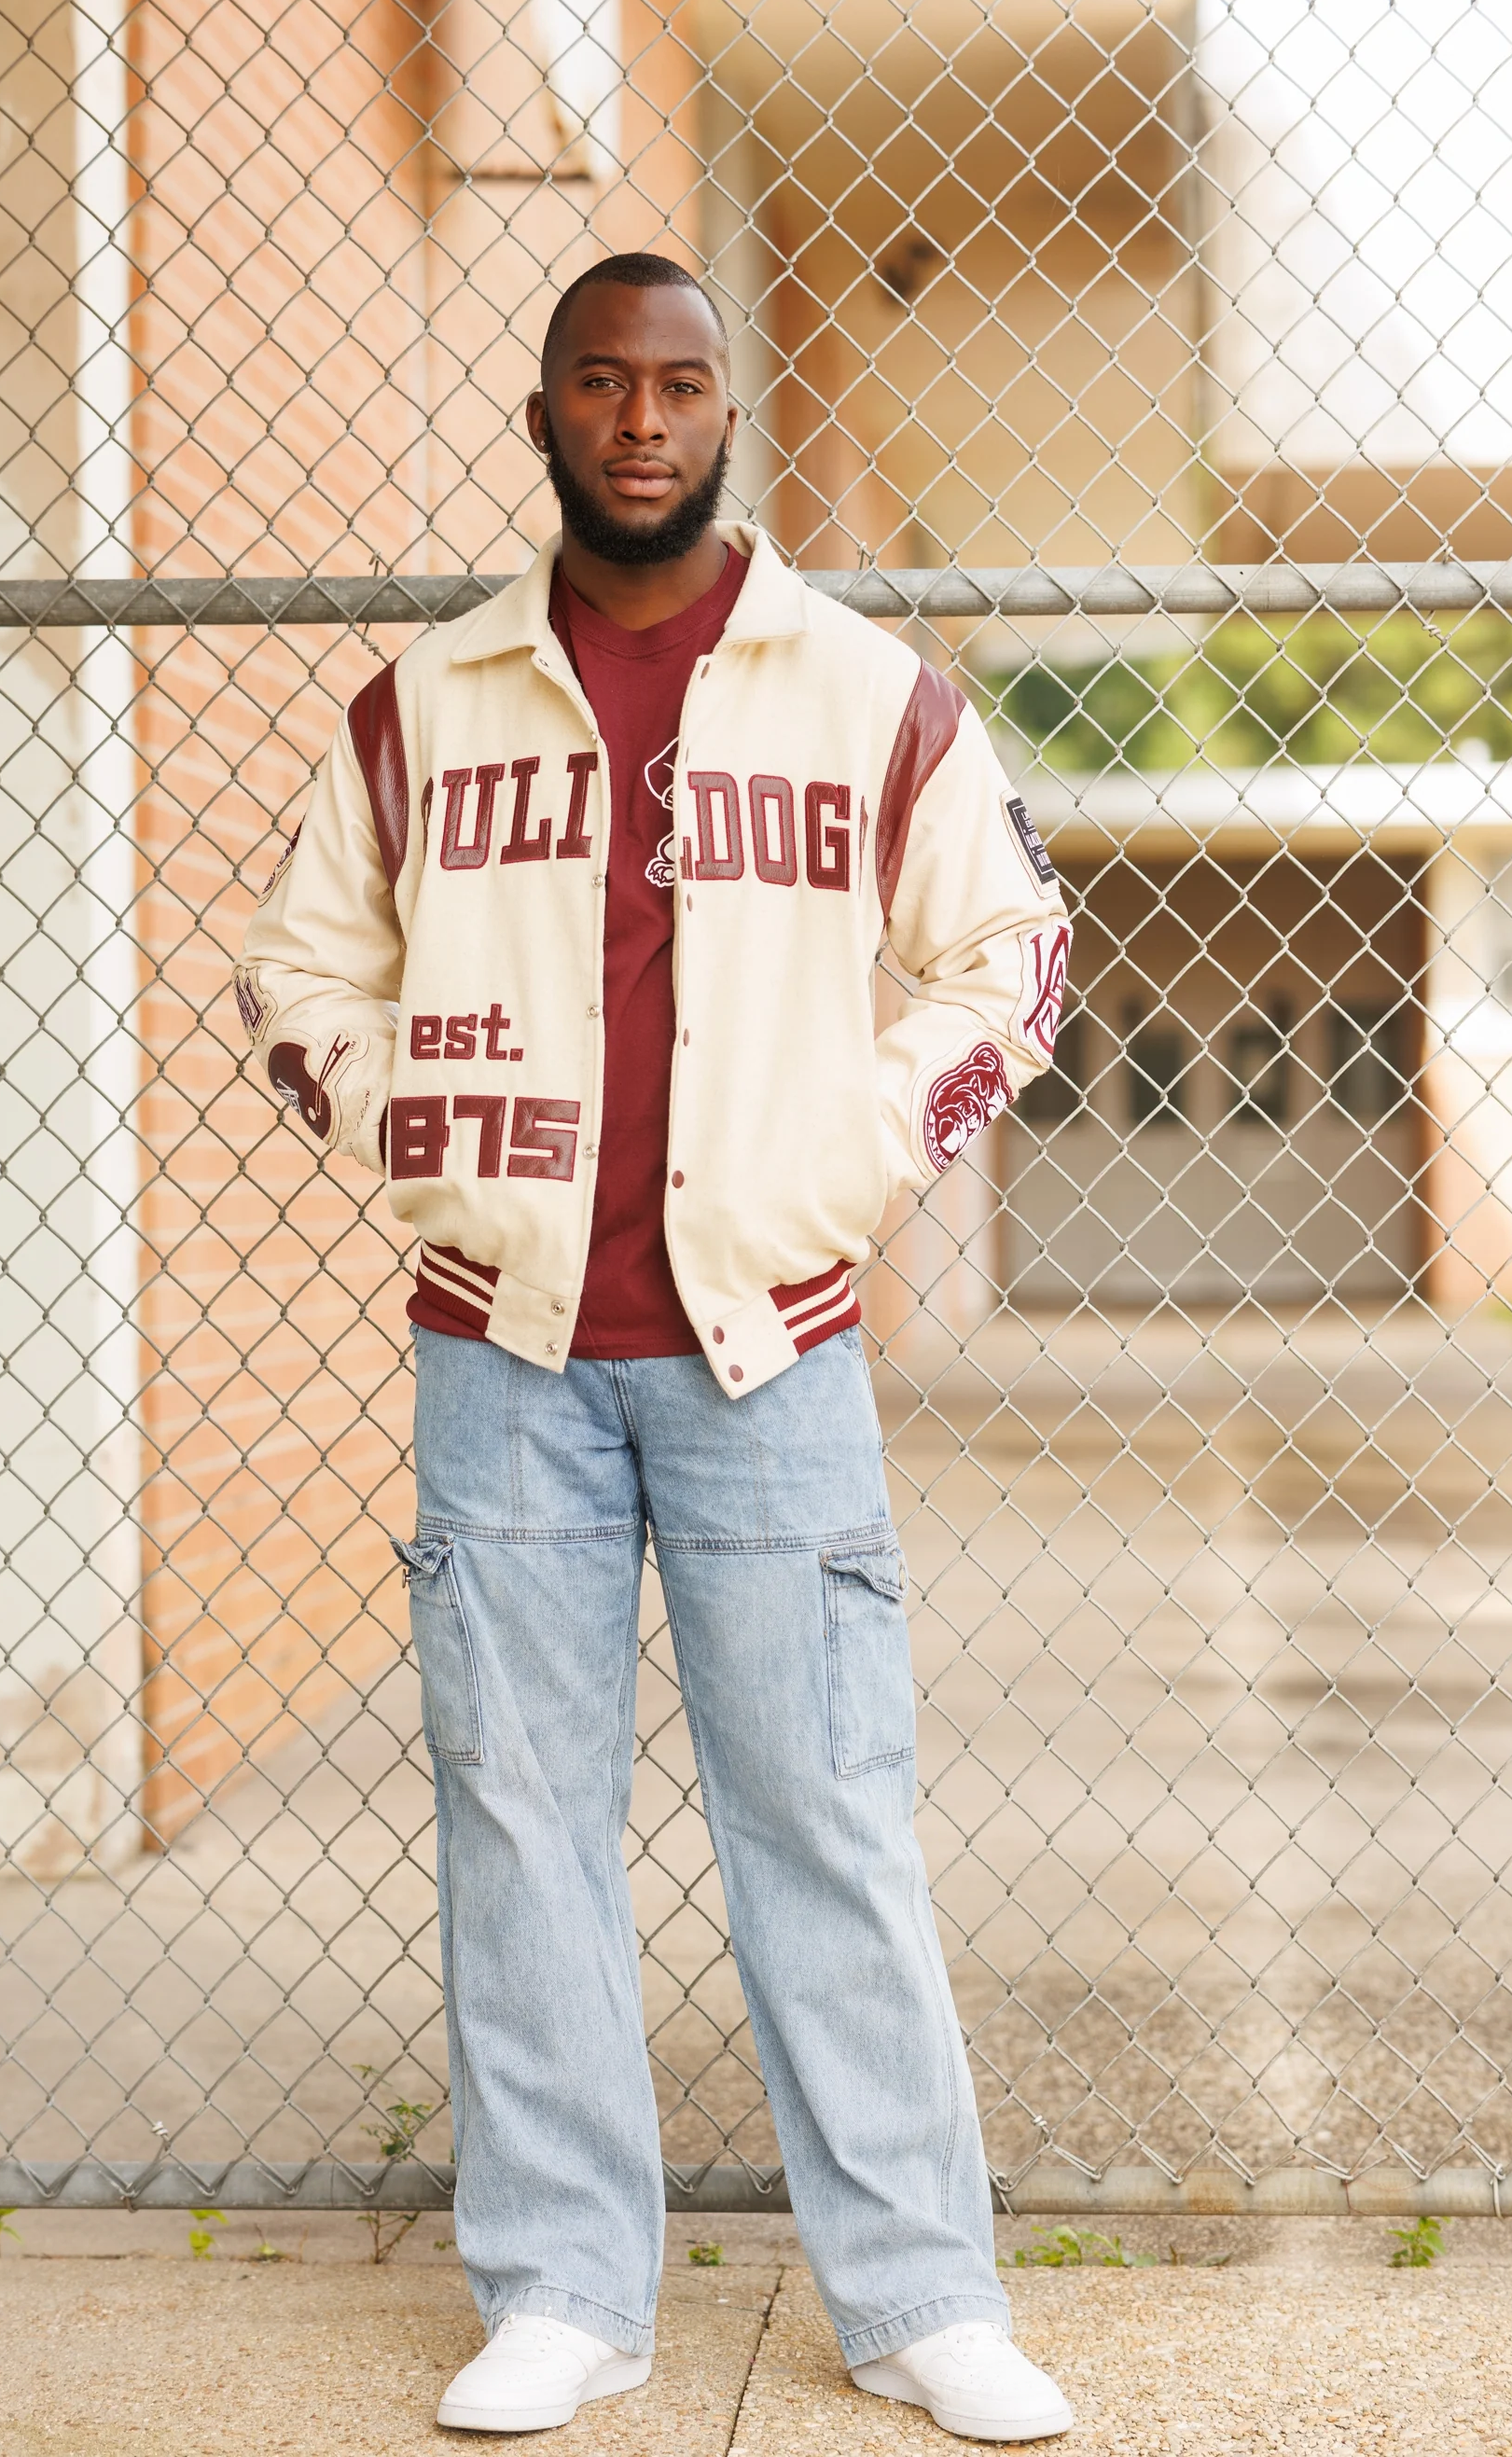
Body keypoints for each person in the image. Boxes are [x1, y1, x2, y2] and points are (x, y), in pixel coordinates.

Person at [236, 252, 1075, 2442]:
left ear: (730, 422)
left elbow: (1010, 957)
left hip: (766, 1344)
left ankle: (916, 2294)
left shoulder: (863, 692)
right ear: (540, 420)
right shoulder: (423, 706)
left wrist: (855, 1150)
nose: (640, 420)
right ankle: (566, 2289)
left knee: (824, 1812)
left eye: (681, 385)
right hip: (501, 1342)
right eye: (599, 383)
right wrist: (428, 1141)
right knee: (520, 1814)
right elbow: (299, 978)